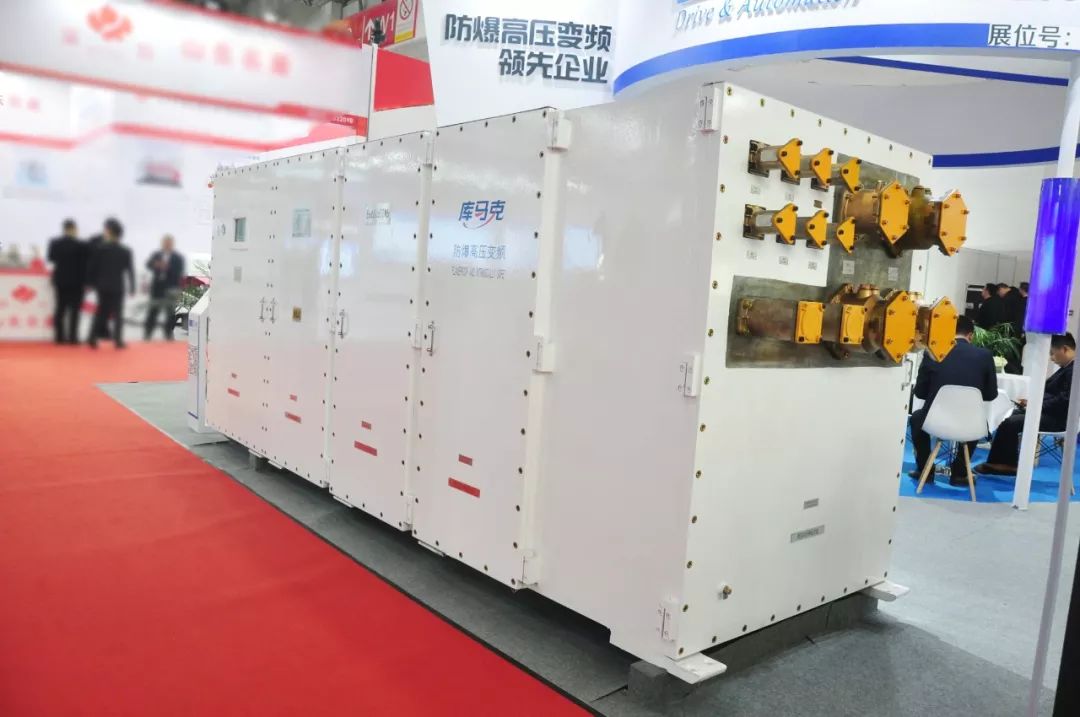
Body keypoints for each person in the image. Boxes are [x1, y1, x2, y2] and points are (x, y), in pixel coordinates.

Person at [909, 315, 998, 485]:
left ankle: (925, 470)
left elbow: (920, 393)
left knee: (917, 418)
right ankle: (960, 473)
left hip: (935, 421)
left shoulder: (932, 353)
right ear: (970, 335)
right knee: (978, 419)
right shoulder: (985, 356)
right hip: (970, 424)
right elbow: (990, 395)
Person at [975, 333, 1076, 476]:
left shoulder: (1074, 370)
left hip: (1058, 419)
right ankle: (999, 462)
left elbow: (1065, 400)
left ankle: (1006, 465)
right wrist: (1032, 403)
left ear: (1064, 349)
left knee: (1011, 422)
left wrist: (1036, 406)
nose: (1051, 358)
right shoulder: (1068, 368)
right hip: (1050, 412)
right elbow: (1056, 397)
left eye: (1052, 353)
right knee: (1009, 417)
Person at [85, 218, 134, 349]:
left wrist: (89, 283)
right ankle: (118, 341)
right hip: (118, 286)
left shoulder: (100, 249)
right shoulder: (125, 251)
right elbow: (130, 270)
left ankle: (91, 338)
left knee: (100, 312)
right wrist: (132, 287)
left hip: (102, 285)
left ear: (110, 233)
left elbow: (92, 268)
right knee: (118, 314)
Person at [46, 219, 87, 345]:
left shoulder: (54, 242)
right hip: (77, 281)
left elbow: (51, 258)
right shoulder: (81, 244)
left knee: (60, 308)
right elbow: (85, 264)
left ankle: (59, 337)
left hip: (60, 279)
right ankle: (73, 338)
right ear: (73, 229)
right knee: (75, 311)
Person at [143, 234, 185, 341]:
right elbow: (148, 264)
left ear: (172, 244)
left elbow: (179, 271)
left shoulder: (177, 257)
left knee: (170, 314)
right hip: (157, 289)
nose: (167, 244)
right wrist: (155, 265)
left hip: (171, 290)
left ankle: (168, 336)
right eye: (165, 243)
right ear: (162, 243)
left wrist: (167, 267)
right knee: (152, 313)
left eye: (169, 243)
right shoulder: (156, 255)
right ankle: (147, 336)